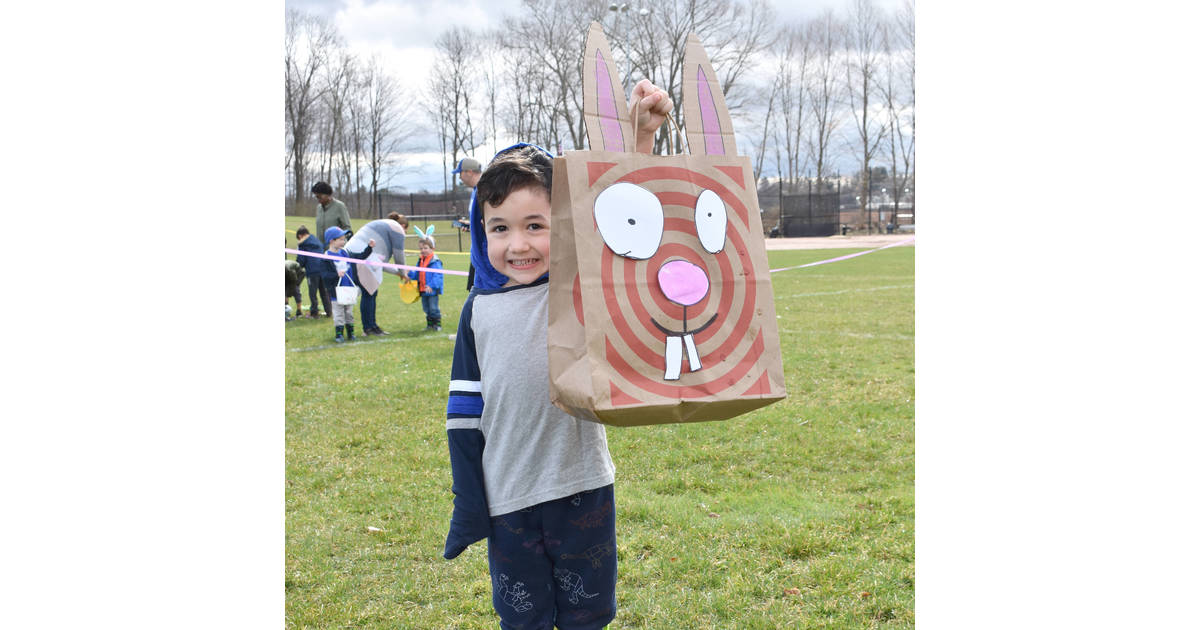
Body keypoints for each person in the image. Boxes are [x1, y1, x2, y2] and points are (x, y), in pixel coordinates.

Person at [441, 77, 672, 630]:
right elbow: (463, 412)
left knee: (588, 616)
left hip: (582, 487)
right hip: (507, 498)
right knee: (522, 620)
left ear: (562, 225)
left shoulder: (578, 284)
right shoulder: (477, 310)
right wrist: (469, 499)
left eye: (535, 226)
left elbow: (627, 218)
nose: (517, 244)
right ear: (481, 231)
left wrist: (640, 138)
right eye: (500, 228)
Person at [320, 226, 374, 343]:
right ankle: (339, 334)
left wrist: (369, 248)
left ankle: (351, 333)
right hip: (336, 292)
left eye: (344, 239)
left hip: (348, 289)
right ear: (332, 241)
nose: (343, 241)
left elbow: (359, 257)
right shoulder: (326, 257)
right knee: (339, 313)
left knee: (349, 312)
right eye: (341, 239)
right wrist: (336, 275)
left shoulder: (345, 253)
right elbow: (325, 276)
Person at [453, 157, 482, 291]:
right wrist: (471, 225)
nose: (459, 177)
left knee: (476, 294)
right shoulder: (475, 191)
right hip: (477, 251)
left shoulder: (484, 190)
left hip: (484, 252)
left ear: (469, 172)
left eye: (460, 173)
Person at [406, 229, 444, 331]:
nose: (423, 250)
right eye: (421, 248)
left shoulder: (435, 261)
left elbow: (438, 275)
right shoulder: (421, 260)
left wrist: (431, 285)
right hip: (423, 289)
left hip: (431, 290)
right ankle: (429, 325)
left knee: (433, 308)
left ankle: (437, 324)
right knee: (426, 308)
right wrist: (410, 273)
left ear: (432, 248)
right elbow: (417, 274)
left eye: (425, 248)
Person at [295, 225, 330, 318]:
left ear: (300, 236)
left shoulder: (302, 244)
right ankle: (329, 311)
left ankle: (314, 313)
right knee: (324, 292)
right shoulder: (316, 241)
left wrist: (298, 266)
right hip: (322, 269)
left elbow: (301, 259)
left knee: (312, 293)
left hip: (312, 271)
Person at [312, 182, 351, 248]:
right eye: (316, 197)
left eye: (320, 197)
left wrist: (340, 244)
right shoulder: (319, 208)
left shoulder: (340, 206)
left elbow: (347, 228)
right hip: (320, 249)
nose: (318, 199)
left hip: (335, 250)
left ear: (328, 195)